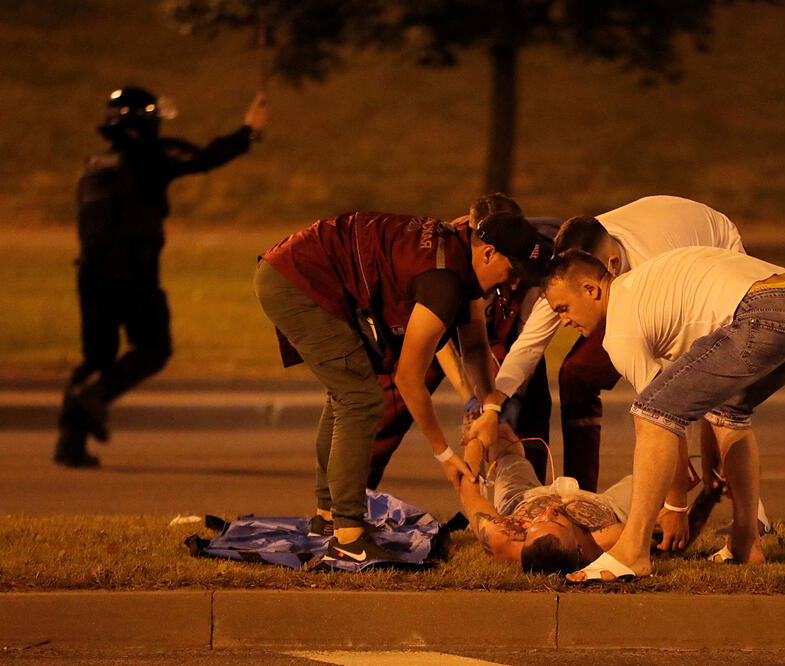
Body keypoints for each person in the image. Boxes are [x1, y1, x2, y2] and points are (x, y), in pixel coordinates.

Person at [254, 210, 550, 566]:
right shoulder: (444, 281)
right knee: (360, 398)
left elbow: (474, 347)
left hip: (297, 268)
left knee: (347, 392)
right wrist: (443, 453)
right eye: (513, 270)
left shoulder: (460, 252)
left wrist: (489, 409)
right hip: (298, 278)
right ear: (487, 253)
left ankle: (328, 518)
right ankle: (348, 537)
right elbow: (408, 378)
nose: (515, 283)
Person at [541, 248, 785, 581]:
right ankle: (746, 543)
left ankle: (632, 552)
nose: (563, 321)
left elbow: (662, 417)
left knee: (650, 413)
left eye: (563, 308)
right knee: (731, 413)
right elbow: (701, 399)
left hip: (764, 314)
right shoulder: (649, 292)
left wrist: (675, 505)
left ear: (591, 289)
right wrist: (707, 460)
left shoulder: (620, 329)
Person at [467, 195, 745, 493]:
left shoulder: (652, 273)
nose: (563, 322)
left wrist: (677, 489)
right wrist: (492, 406)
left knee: (718, 391)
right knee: (578, 373)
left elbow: (675, 374)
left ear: (607, 269)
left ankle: (751, 514)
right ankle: (580, 493)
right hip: (652, 249)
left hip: (711, 253)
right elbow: (529, 346)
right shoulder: (575, 270)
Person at [54, 86, 268, 468]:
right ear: (144, 121)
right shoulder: (152, 156)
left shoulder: (96, 164)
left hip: (90, 272)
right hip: (132, 271)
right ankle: (97, 397)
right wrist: (248, 131)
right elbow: (204, 158)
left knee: (95, 357)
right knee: (153, 347)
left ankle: (70, 442)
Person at [366, 194, 558, 489]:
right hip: (441, 324)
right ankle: (354, 493)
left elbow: (528, 340)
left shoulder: (526, 255)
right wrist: (467, 395)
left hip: (505, 332)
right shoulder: (451, 257)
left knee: (528, 395)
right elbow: (439, 336)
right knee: (395, 401)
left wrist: (502, 397)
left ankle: (529, 498)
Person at [458, 423, 635, 574]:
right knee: (652, 477)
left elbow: (470, 492)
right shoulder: (608, 539)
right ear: (578, 548)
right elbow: (646, 527)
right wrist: (663, 509)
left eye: (536, 524)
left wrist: (475, 439)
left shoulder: (502, 538)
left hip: (523, 499)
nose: (548, 512)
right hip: (606, 506)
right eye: (557, 522)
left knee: (501, 437)